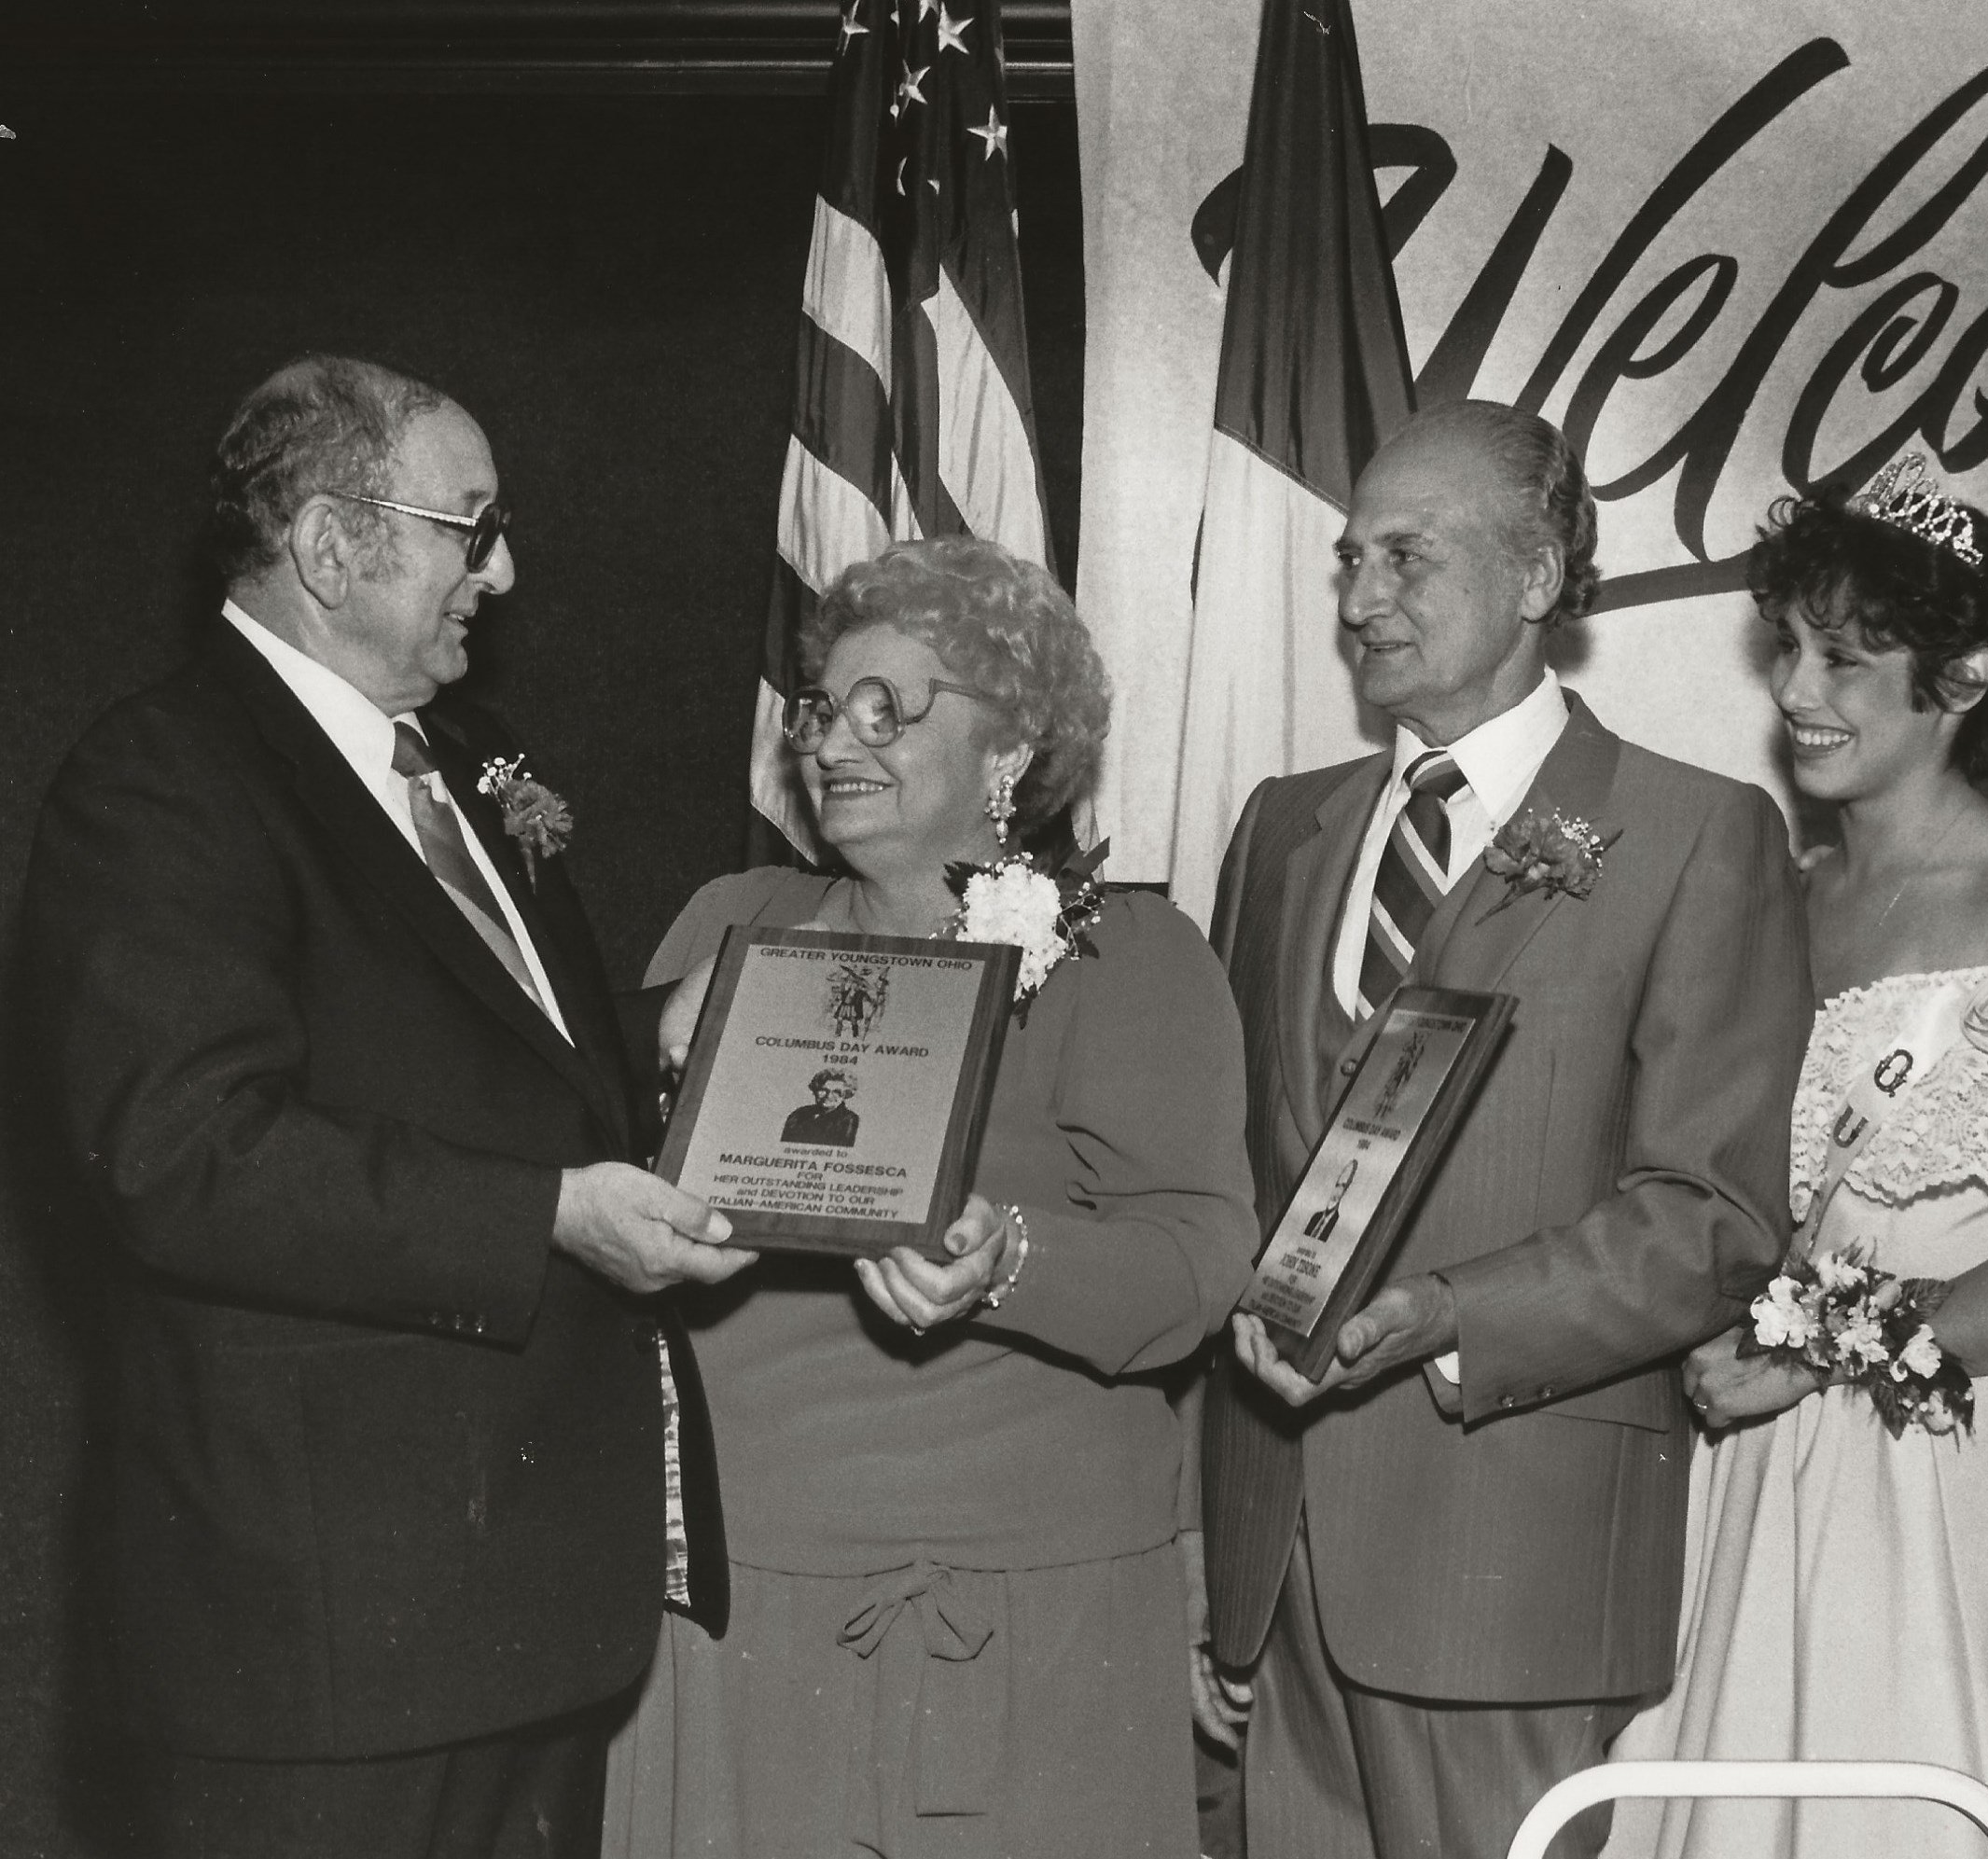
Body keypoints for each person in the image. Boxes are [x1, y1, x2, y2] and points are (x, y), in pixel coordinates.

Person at [20, 354, 754, 1859]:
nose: (507, 568)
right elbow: (184, 1151)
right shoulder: (160, 779)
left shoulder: (462, 766)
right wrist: (547, 1213)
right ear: (331, 546)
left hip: (516, 1629)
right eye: (468, 527)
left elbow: (446, 1045)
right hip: (321, 1657)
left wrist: (651, 1035)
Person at [1198, 399, 1814, 1859]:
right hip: (1269, 1567)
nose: (1358, 600)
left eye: (1406, 558)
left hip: (1509, 1566)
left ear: (1539, 577)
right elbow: (1231, 1180)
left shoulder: (1694, 834)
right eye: (1349, 560)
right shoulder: (1284, 826)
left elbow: (1715, 1216)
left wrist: (1449, 1315)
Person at [1602, 456, 1988, 1859]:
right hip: (1750, 1462)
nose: (1795, 691)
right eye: (1788, 648)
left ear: (1958, 682)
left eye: (1844, 657)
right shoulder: (1790, 889)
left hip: (1934, 1468)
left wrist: (1830, 1351)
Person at [603, 536, 1259, 1859]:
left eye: (888, 708)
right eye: (823, 706)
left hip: (1010, 1618)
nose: (835, 740)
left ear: (1009, 750)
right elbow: (598, 1190)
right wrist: (648, 1050)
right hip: (727, 1602)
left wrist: (1008, 1259)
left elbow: (1199, 1260)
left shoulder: (1125, 953)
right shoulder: (731, 916)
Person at [781, 1067, 861, 1147]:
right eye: (823, 1090)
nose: (829, 1096)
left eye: (836, 1092)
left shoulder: (849, 1119)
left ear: (846, 1095)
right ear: (815, 1090)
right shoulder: (799, 1113)